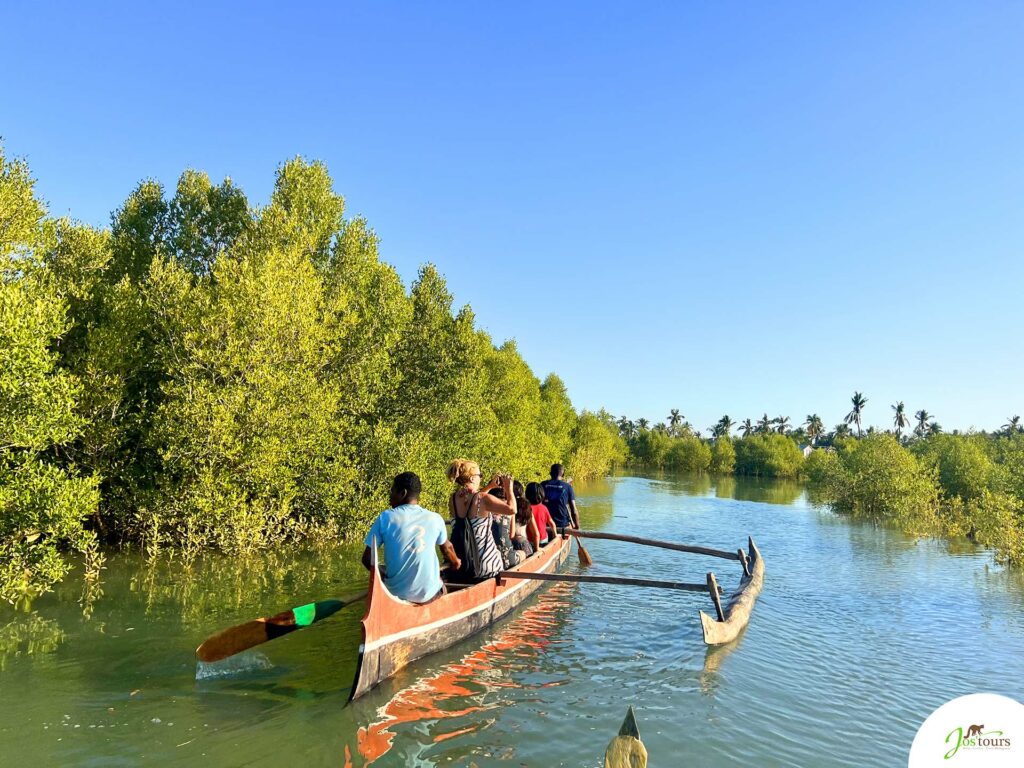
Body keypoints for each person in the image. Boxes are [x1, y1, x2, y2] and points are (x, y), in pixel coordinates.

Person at [361, 471, 460, 604]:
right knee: (442, 586)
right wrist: (455, 563)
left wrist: (382, 574)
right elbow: (447, 549)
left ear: (403, 493)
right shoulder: (435, 518)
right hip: (428, 595)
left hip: (395, 595)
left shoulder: (385, 518)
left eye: (392, 491)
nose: (390, 496)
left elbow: (367, 559)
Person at [447, 459, 513, 581]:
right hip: (487, 566)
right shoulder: (482, 498)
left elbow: (472, 501)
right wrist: (509, 489)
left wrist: (490, 486)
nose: (480, 478)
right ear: (472, 478)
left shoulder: (453, 498)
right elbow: (512, 510)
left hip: (463, 565)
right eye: (479, 475)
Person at [541, 463, 579, 531]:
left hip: (545, 524)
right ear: (563, 475)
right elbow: (574, 510)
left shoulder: (542, 484)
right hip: (562, 525)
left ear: (550, 473)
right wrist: (577, 526)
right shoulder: (567, 487)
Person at [512, 480, 539, 556]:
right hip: (522, 543)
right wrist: (537, 550)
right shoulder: (526, 507)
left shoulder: (507, 505)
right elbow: (536, 534)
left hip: (509, 544)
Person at [526, 481, 558, 546]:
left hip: (530, 541)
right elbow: (552, 524)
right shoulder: (544, 508)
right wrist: (555, 536)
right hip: (543, 539)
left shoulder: (526, 509)